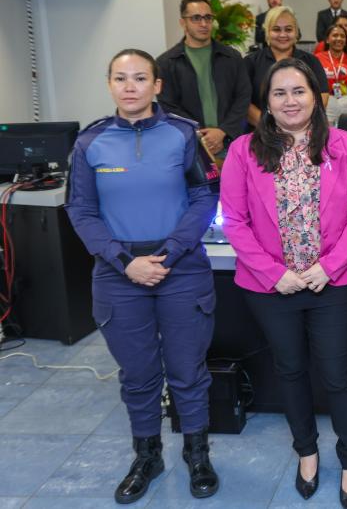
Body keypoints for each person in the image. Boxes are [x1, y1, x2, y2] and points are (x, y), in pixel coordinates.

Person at [66, 49, 221, 504]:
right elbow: (80, 209)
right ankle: (147, 455)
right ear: (110, 85)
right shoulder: (88, 143)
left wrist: (169, 253)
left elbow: (204, 198)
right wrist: (124, 261)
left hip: (182, 267)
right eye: (120, 78)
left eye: (140, 78)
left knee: (188, 370)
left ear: (158, 86)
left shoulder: (184, 134)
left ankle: (198, 454)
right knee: (137, 374)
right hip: (118, 274)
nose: (129, 86)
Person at [220, 58, 347, 506]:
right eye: (279, 93)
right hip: (272, 289)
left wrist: (330, 266)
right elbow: (235, 221)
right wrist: (275, 274)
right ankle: (306, 451)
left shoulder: (346, 146)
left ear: (316, 97)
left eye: (299, 91)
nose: (290, 100)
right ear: (266, 103)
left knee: (338, 375)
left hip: (335, 284)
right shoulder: (242, 152)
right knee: (290, 370)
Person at [157, 0, 251, 158]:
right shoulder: (166, 62)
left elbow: (243, 96)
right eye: (196, 18)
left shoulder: (231, 57)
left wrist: (223, 131)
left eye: (208, 18)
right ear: (182, 22)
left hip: (230, 143)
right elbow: (169, 106)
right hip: (192, 145)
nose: (203, 23)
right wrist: (200, 133)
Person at [245, 6, 328, 129]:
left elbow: (322, 96)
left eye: (288, 29)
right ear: (267, 31)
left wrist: (298, 125)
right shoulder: (250, 62)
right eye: (276, 29)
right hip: (261, 135)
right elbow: (243, 102)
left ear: (296, 32)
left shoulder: (311, 61)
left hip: (305, 134)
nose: (283, 34)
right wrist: (270, 128)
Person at [319, 23, 347, 123]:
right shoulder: (318, 58)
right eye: (335, 35)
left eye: (342, 36)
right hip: (327, 102)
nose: (339, 38)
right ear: (327, 40)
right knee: (328, 135)